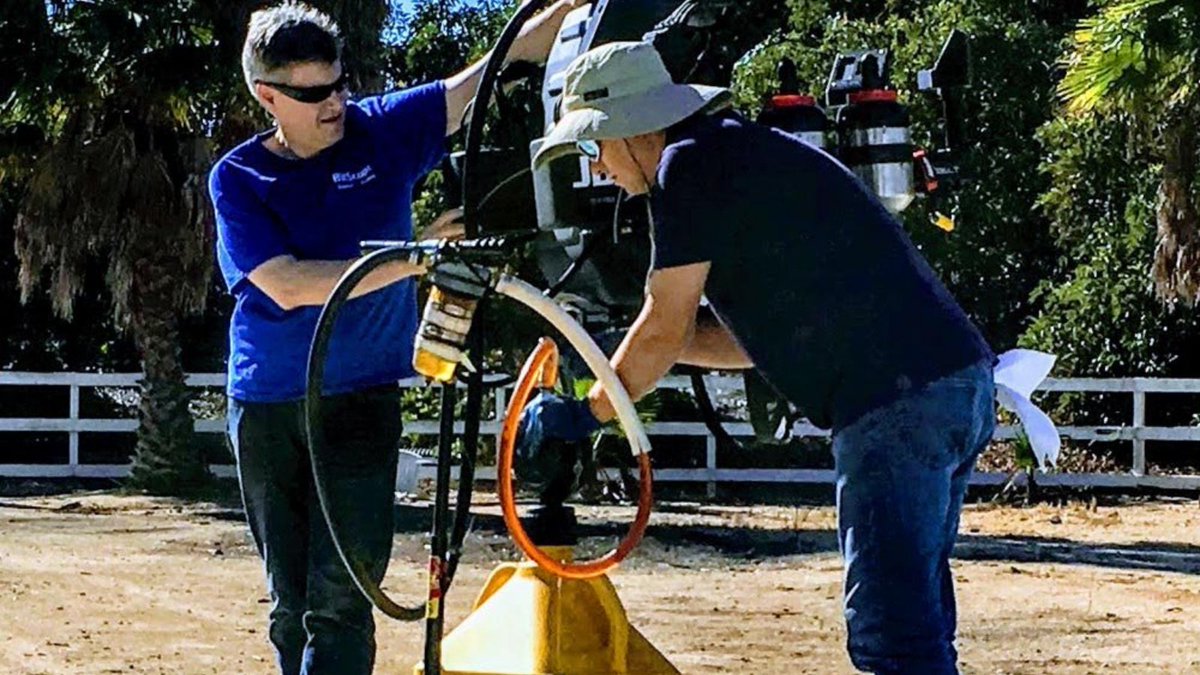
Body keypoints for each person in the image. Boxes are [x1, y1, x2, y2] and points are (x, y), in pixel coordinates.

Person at [516, 40, 997, 675]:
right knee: (919, 620)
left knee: (891, 638)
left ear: (628, 126)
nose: (598, 167)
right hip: (950, 382)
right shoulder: (731, 154)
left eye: (594, 146)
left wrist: (588, 412)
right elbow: (740, 339)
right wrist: (625, 360)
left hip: (894, 403)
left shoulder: (683, 171)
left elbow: (664, 324)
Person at [208, 2, 582, 673]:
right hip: (265, 405)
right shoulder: (238, 178)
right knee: (289, 602)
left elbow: (491, 69)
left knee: (344, 596)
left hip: (359, 400)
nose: (335, 104)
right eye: (313, 93)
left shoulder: (379, 131)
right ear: (268, 96)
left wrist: (572, 15)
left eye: (340, 84)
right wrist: (417, 254)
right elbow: (286, 284)